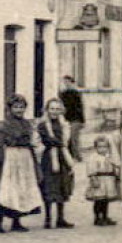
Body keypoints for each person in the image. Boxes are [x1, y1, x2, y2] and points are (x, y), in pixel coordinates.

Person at [0, 94, 42, 233]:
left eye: (22, 107)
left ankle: (16, 221)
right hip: (10, 158)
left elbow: (32, 141)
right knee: (6, 189)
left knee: (21, 188)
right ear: (10, 108)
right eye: (16, 107)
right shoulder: (5, 125)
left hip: (24, 158)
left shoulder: (27, 124)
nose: (19, 110)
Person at [37, 96, 80, 229]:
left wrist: (72, 157)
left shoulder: (65, 125)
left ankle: (60, 218)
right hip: (49, 158)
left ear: (61, 110)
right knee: (49, 187)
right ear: (47, 110)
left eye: (57, 109)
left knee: (63, 185)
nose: (54, 112)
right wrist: (60, 143)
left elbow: (70, 142)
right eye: (52, 109)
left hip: (63, 157)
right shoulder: (43, 124)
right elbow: (47, 140)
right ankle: (48, 218)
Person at [84, 134, 121, 227]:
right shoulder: (93, 157)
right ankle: (97, 217)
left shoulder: (110, 156)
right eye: (99, 147)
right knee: (98, 200)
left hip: (108, 179)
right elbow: (91, 169)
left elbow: (115, 165)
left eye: (105, 147)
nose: (102, 149)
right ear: (95, 147)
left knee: (106, 200)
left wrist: (116, 172)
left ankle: (105, 216)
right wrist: (93, 178)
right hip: (99, 180)